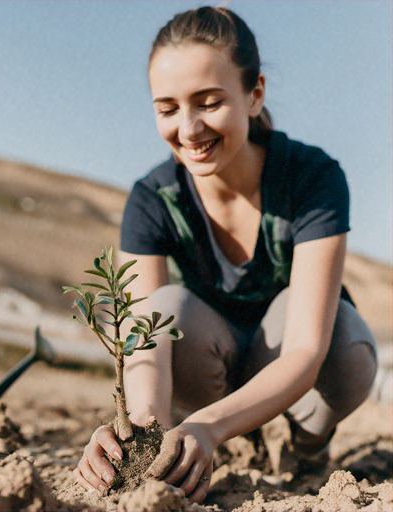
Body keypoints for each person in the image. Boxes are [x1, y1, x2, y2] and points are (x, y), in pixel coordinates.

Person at [73, 6, 377, 504]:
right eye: (167, 108)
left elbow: (304, 348)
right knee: (166, 305)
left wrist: (209, 428)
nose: (189, 129)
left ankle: (307, 447)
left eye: (209, 102)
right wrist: (140, 433)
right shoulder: (152, 199)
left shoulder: (312, 178)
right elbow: (143, 335)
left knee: (343, 337)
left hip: (292, 362)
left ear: (254, 93)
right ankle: (229, 434)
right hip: (208, 363)